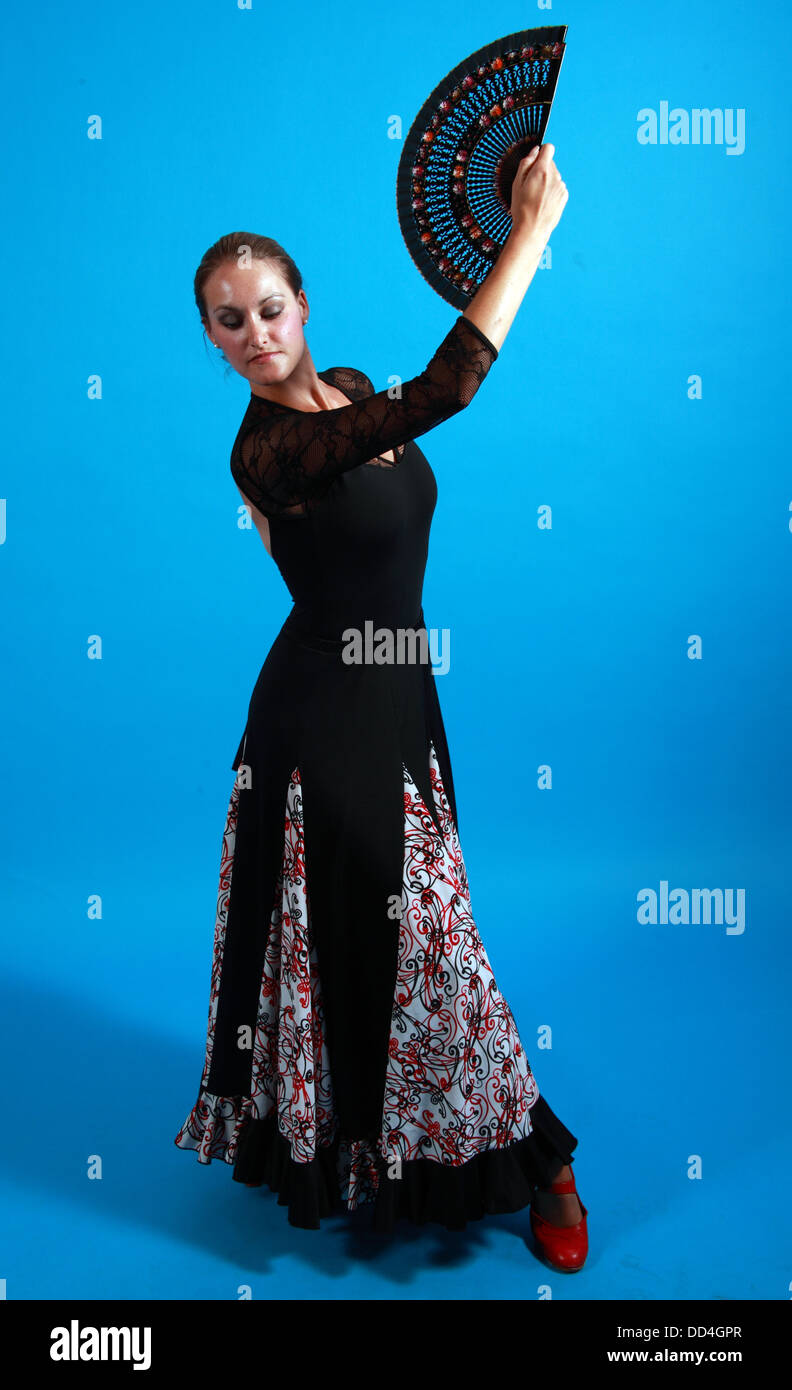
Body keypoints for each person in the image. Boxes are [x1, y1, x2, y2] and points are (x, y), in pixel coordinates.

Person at [174, 143, 588, 1272]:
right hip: (320, 724)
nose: (256, 333)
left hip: (402, 689)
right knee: (429, 937)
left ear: (301, 306)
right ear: (212, 339)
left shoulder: (351, 393)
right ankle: (544, 1157)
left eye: (268, 308)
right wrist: (531, 235)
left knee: (408, 935)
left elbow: (419, 388)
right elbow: (452, 385)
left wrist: (503, 224)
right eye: (228, 321)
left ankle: (404, 1145)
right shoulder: (272, 452)